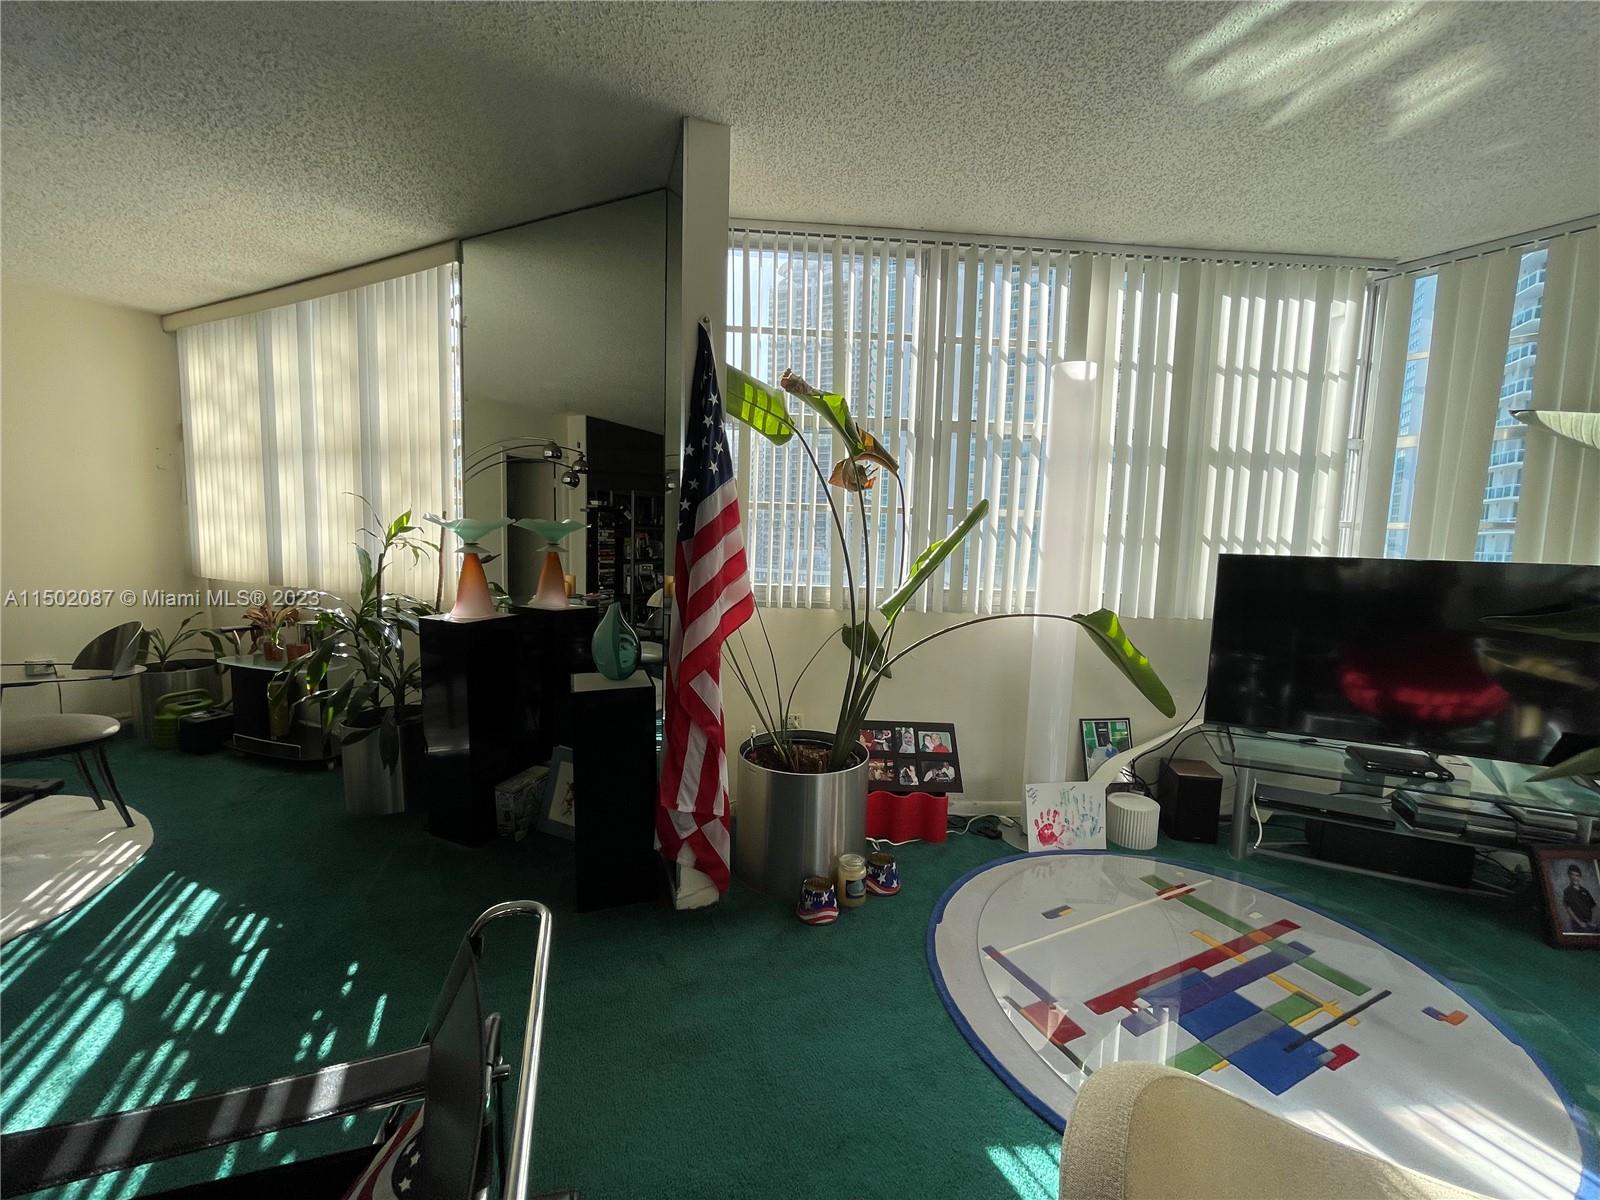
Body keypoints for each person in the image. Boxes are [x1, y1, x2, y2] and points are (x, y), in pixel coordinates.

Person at [1560, 863, 1597, 933]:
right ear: (1569, 876)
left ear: (1580, 877)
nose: (1574, 877)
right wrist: (1580, 923)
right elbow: (1568, 909)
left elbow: (1594, 906)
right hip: (1577, 924)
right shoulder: (1567, 891)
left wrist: (1592, 921)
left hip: (1589, 923)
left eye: (1577, 875)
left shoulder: (1585, 890)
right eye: (1572, 874)